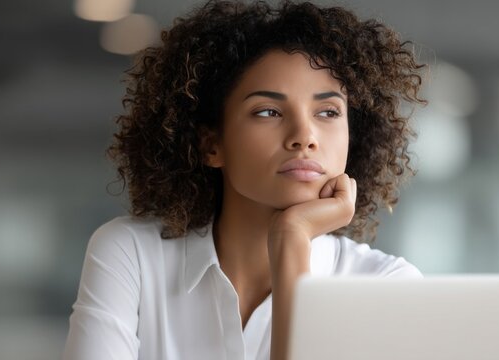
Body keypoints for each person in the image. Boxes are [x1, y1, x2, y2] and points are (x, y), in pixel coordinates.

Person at [63, 0, 426, 359]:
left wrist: (292, 238)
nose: (305, 135)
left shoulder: (387, 286)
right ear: (212, 145)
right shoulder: (132, 255)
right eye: (268, 111)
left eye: (328, 111)